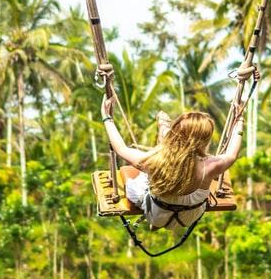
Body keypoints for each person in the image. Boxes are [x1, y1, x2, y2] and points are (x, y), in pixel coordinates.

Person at [101, 96, 244, 234]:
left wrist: (107, 118)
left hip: (157, 216)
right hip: (188, 217)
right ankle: (163, 125)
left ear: (175, 133)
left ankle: (164, 124)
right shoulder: (211, 166)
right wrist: (240, 120)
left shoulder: (154, 162)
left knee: (139, 178)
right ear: (205, 140)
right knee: (163, 149)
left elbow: (121, 149)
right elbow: (232, 154)